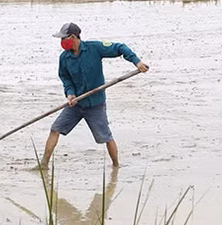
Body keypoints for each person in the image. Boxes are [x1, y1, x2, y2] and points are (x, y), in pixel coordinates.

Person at [42, 22, 149, 169]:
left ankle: (116, 166)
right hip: (76, 104)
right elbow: (65, 78)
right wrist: (70, 94)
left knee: (106, 137)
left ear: (73, 37)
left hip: (95, 104)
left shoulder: (94, 48)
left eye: (63, 38)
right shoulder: (64, 58)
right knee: (55, 129)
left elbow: (120, 47)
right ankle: (43, 164)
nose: (62, 42)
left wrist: (137, 62)